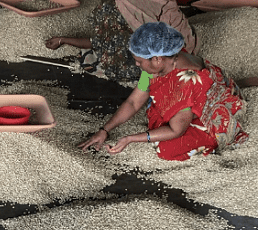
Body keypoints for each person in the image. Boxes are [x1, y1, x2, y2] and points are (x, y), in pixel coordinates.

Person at [78, 22, 248, 161]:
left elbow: (176, 130)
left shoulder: (183, 82)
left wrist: (130, 138)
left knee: (165, 149)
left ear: (157, 59)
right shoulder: (167, 56)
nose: (137, 65)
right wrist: (104, 130)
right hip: (198, 98)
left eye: (139, 61)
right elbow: (133, 102)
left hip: (215, 117)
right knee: (158, 116)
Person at [45, 0, 197, 82]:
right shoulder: (131, 22)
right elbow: (134, 102)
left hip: (166, 48)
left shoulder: (167, 71)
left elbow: (136, 101)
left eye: (139, 61)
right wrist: (63, 40)